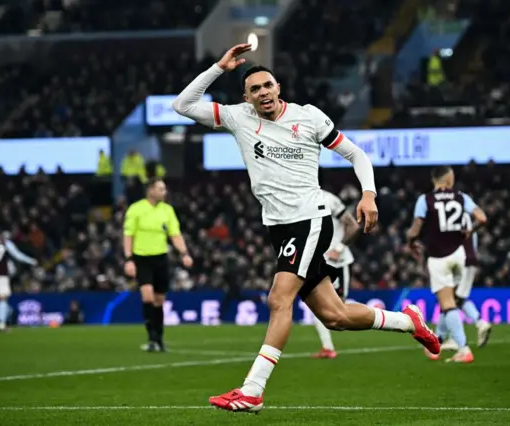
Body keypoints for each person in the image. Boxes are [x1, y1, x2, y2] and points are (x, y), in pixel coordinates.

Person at [172, 43, 440, 413]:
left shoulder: (309, 117)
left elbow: (356, 154)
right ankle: (408, 322)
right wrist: (219, 67)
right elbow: (182, 105)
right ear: (246, 98)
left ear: (278, 87)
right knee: (336, 316)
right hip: (277, 227)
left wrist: (368, 195)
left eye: (268, 85)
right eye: (255, 89)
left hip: (309, 219)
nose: (263, 92)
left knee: (279, 300)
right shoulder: (238, 118)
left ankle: (252, 390)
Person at [406, 166, 487, 363]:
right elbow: (482, 218)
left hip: (438, 257)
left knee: (447, 303)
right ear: (449, 180)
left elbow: (414, 230)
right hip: (459, 254)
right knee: (453, 300)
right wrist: (471, 230)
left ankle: (463, 348)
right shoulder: (461, 197)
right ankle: (438, 342)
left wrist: (411, 243)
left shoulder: (425, 200)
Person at [123, 177, 193, 352]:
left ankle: (159, 338)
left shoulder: (167, 210)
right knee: (147, 296)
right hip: (142, 258)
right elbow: (128, 235)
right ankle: (152, 338)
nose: (164, 192)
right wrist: (129, 259)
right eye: (161, 189)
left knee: (159, 300)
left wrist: (184, 253)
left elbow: (175, 234)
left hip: (161, 258)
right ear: (151, 190)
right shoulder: (136, 209)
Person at [311, 189, 361, 359]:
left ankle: (384, 321)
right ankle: (327, 347)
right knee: (317, 304)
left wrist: (338, 248)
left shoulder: (329, 199)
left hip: (337, 261)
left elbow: (353, 225)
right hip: (319, 260)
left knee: (340, 309)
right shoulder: (300, 199)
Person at [440, 210, 493, 351]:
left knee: (450, 300)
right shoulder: (468, 218)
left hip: (458, 261)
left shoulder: (448, 217)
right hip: (471, 260)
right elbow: (473, 242)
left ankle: (476, 325)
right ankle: (476, 324)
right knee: (458, 299)